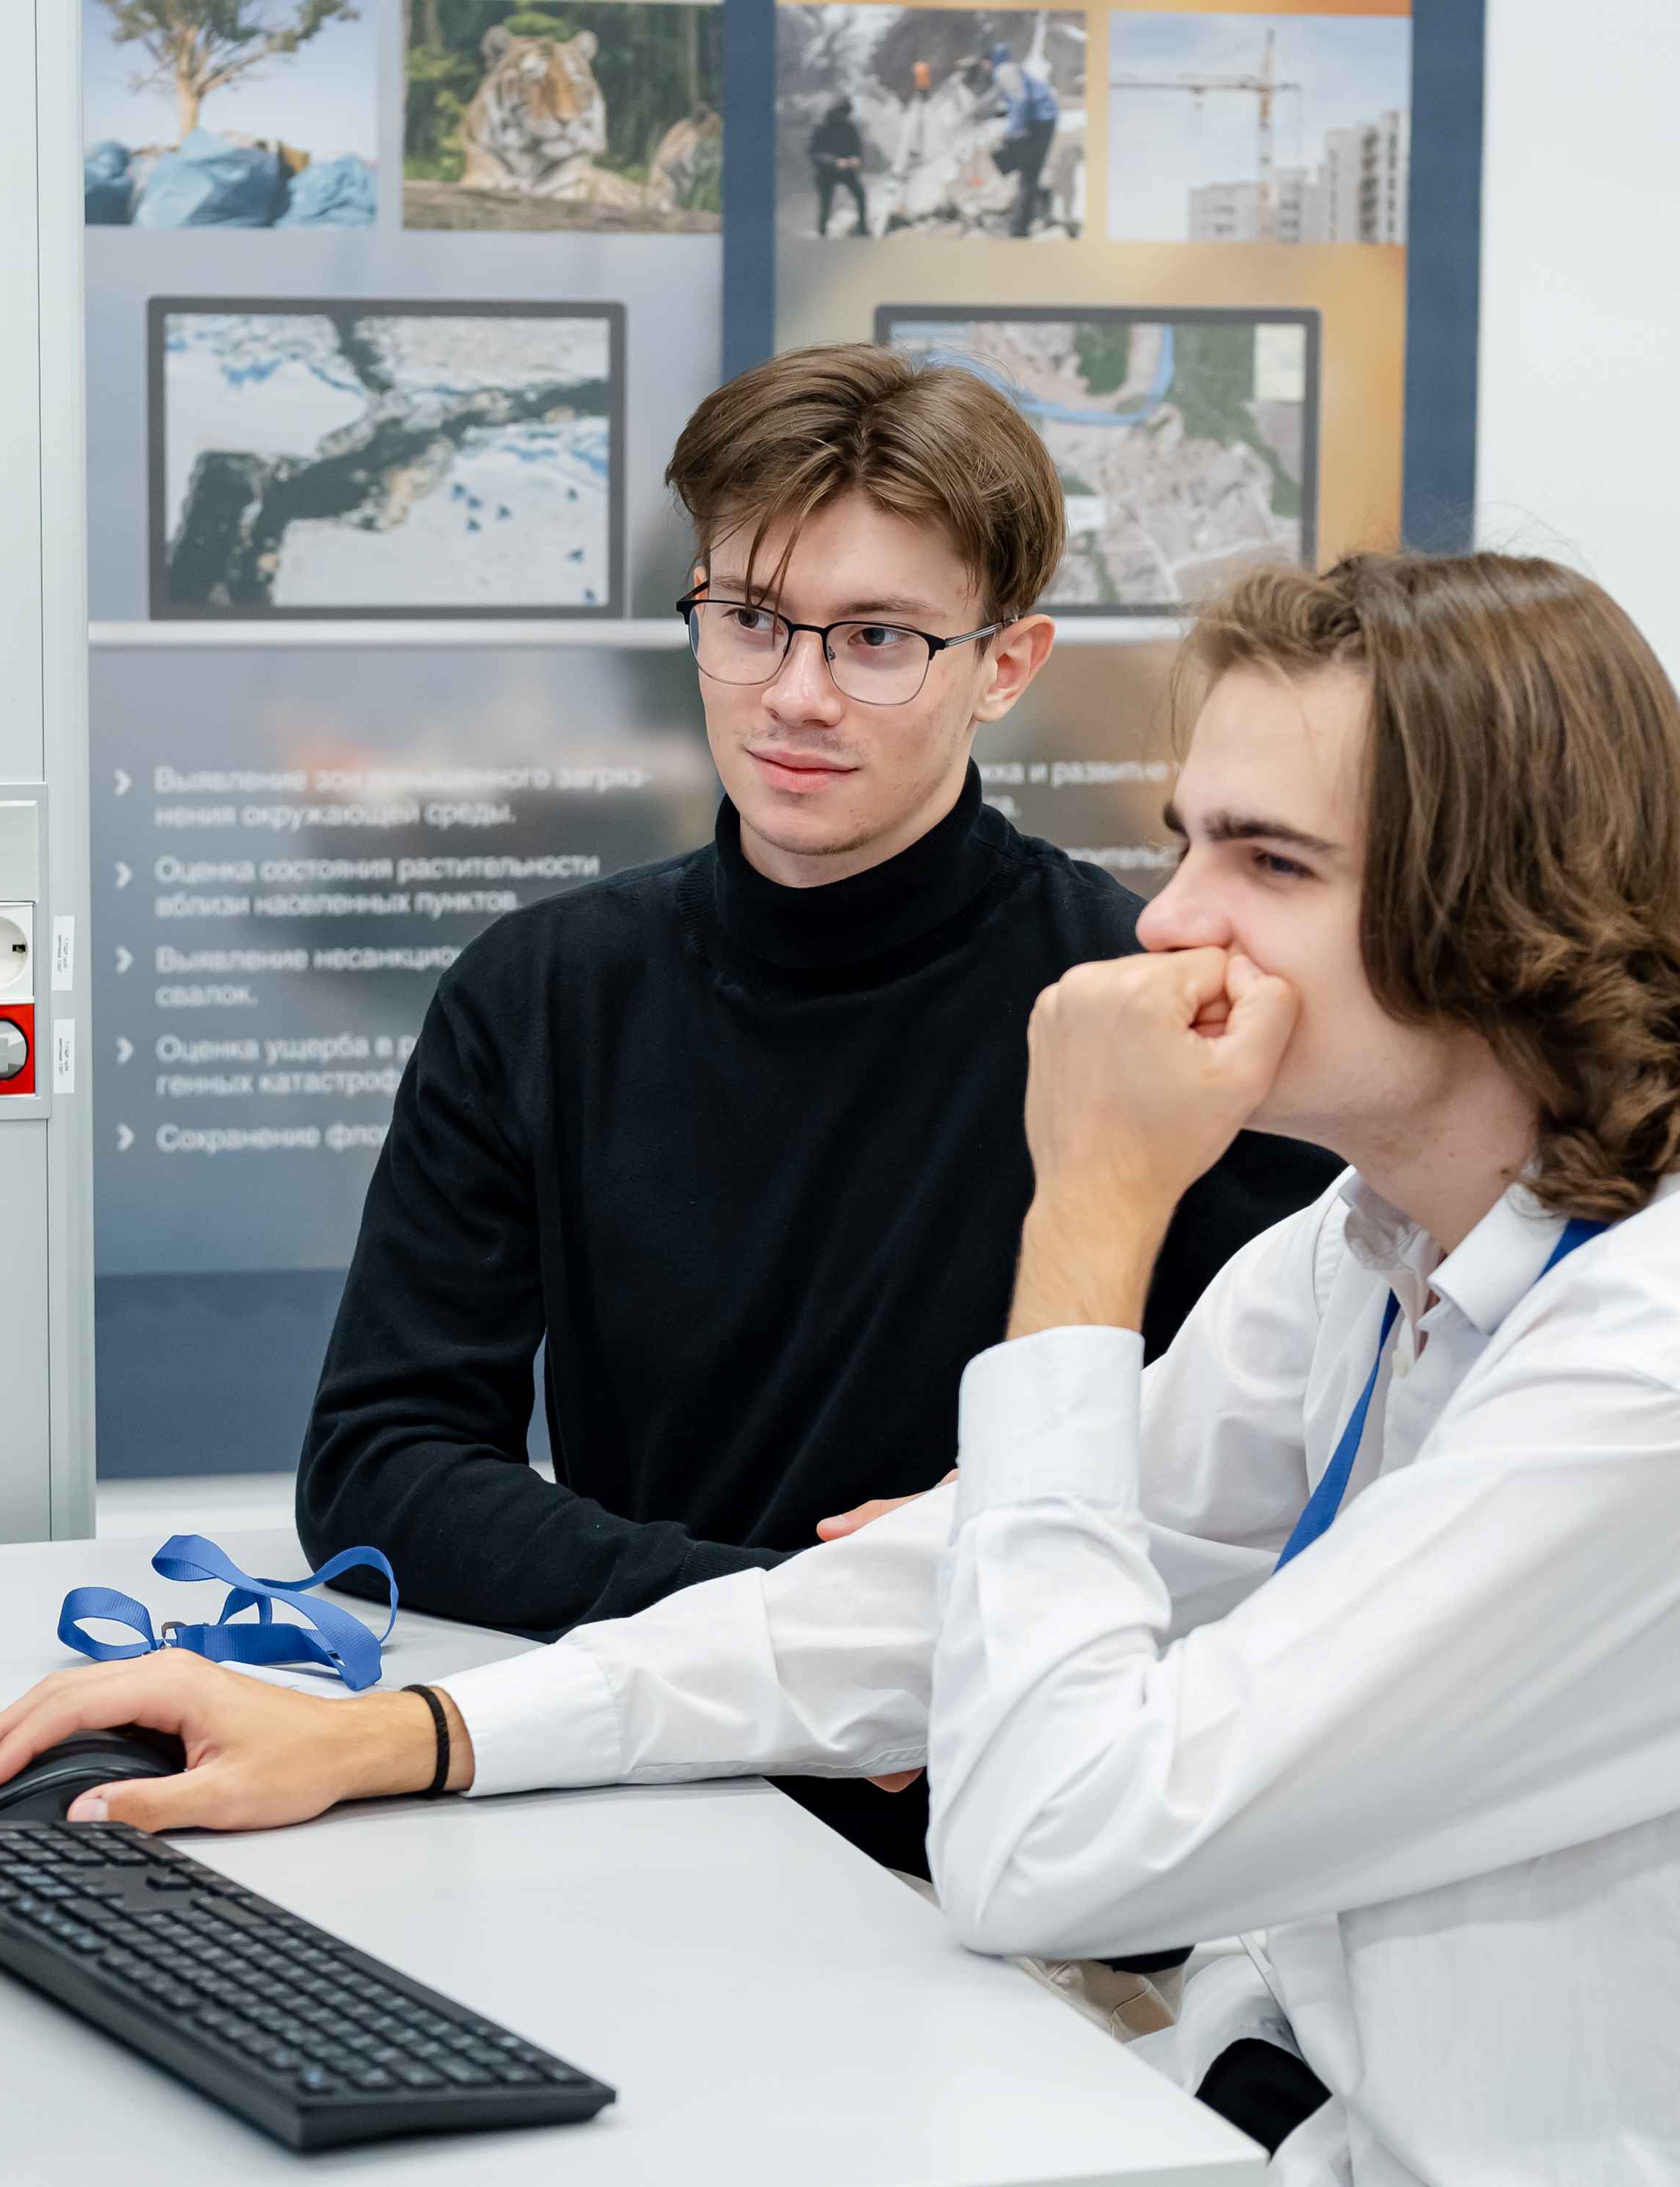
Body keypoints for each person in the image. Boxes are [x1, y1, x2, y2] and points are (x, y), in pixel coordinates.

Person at [0, 551, 1680, 2182]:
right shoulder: (1380, 1243)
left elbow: (1053, 1847)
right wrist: (410, 1732)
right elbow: (929, 1589)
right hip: (1276, 2110)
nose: (1167, 923)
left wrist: (1089, 1214)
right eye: (1184, 838)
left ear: (1507, 918)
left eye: (1267, 865)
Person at [287, 343, 1336, 1870]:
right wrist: (822, 1632)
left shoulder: (1156, 1012)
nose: (795, 694)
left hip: (1008, 1834)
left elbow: (1265, 1495)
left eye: (877, 639)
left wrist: (872, 1639)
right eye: (751, 620)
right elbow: (380, 1463)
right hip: (635, 1784)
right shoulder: (540, 993)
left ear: (1007, 665)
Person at [984, 40, 1058, 238]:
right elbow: (1016, 98)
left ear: (990, 61)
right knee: (1026, 169)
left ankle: (1020, 227)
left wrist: (1013, 130)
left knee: (1027, 172)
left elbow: (1020, 99)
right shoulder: (1009, 69)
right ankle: (1027, 215)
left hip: (1040, 121)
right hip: (1041, 118)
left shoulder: (1003, 71)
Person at [809, 95, 869, 237]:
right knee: (826, 203)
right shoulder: (821, 127)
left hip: (847, 170)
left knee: (860, 195)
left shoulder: (849, 128)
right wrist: (834, 162)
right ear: (834, 111)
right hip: (826, 172)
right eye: (841, 113)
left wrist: (856, 159)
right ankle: (822, 232)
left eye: (846, 114)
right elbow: (815, 153)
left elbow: (857, 148)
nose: (843, 117)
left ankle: (863, 228)